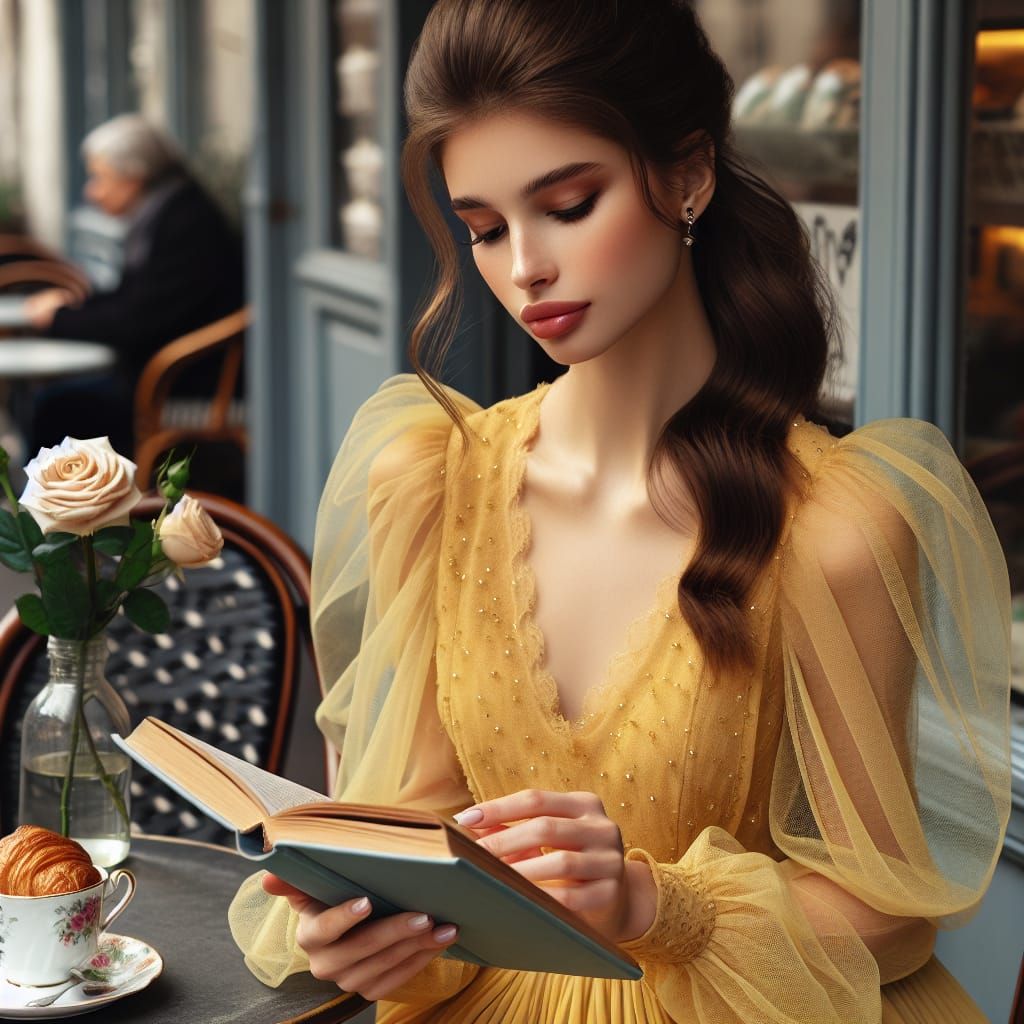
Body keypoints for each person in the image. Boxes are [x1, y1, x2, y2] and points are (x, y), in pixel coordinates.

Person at [228, 2, 1012, 1021]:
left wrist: (658, 901)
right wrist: (370, 925)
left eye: (569, 203)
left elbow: (895, 913)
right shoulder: (429, 481)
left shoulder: (835, 526)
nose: (525, 269)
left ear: (687, 176)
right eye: (484, 229)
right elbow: (419, 817)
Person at [19, 114, 244, 454]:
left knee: (55, 406)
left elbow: (137, 320)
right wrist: (72, 308)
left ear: (134, 177)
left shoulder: (184, 223)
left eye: (100, 177)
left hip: (182, 386)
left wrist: (60, 318)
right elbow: (140, 301)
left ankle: (60, 508)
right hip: (167, 375)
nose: (91, 192)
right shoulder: (167, 211)